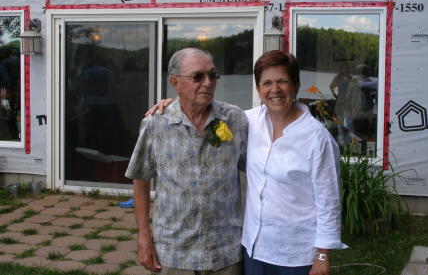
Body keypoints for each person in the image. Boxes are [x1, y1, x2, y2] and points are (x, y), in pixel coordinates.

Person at [149, 50, 346, 275]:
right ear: (258, 88)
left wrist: (322, 256)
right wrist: (175, 103)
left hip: (296, 254)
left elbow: (329, 202)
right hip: (254, 248)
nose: (275, 90)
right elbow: (206, 108)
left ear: (296, 85)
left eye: (283, 81)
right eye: (267, 83)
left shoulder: (317, 138)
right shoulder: (248, 122)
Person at [125, 48, 248, 274]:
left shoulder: (235, 119)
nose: (208, 83)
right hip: (174, 252)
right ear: (175, 82)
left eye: (213, 75)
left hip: (225, 250)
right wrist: (143, 236)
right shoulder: (156, 124)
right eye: (197, 76)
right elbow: (140, 179)